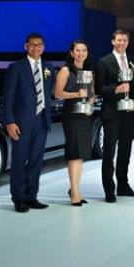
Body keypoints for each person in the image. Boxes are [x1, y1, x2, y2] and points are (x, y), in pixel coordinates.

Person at [4, 33, 55, 213]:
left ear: (43, 47)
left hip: (42, 121)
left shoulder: (49, 68)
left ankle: (31, 196)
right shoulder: (16, 68)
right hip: (21, 123)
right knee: (19, 162)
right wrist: (10, 122)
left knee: (36, 161)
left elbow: (49, 94)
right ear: (26, 46)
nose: (36, 47)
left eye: (39, 45)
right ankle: (18, 198)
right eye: (32, 45)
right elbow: (8, 97)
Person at [95, 29, 134, 202]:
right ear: (113, 41)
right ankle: (109, 190)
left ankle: (123, 186)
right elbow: (99, 88)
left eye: (125, 40)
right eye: (119, 40)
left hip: (129, 113)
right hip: (112, 113)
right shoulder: (103, 62)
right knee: (109, 153)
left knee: (125, 152)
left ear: (128, 42)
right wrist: (117, 89)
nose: (122, 43)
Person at [53, 40, 95, 206]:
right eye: (77, 50)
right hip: (71, 114)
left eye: (84, 50)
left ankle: (75, 189)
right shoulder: (65, 70)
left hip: (84, 115)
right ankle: (75, 193)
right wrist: (77, 94)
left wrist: (90, 104)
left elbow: (91, 93)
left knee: (80, 154)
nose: (81, 53)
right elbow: (58, 93)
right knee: (74, 152)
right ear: (72, 53)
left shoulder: (88, 71)